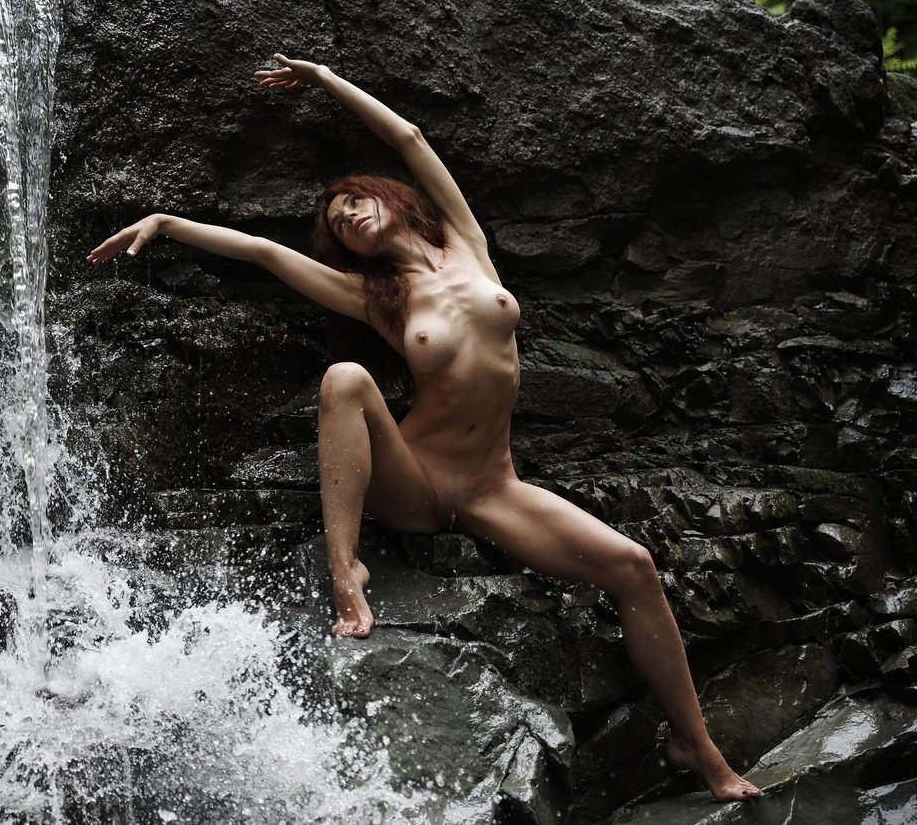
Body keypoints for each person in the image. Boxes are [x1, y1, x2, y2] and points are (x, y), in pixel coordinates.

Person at [86, 54, 762, 802]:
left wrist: (324, 79)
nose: (347, 215)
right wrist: (166, 224)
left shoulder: (466, 243)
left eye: (353, 200)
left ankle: (696, 745)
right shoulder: (376, 298)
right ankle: (347, 571)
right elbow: (266, 253)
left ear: (389, 200)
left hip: (493, 488)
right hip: (414, 479)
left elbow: (408, 136)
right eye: (337, 222)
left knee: (633, 564)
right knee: (345, 378)